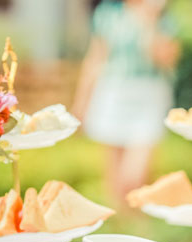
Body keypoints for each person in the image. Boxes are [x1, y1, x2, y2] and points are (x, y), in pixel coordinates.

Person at [72, 0, 179, 205]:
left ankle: (139, 223)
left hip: (149, 94)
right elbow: (95, 59)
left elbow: (165, 59)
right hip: (113, 92)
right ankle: (124, 227)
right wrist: (81, 103)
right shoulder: (109, 12)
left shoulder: (162, 15)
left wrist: (150, 21)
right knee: (114, 180)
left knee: (134, 178)